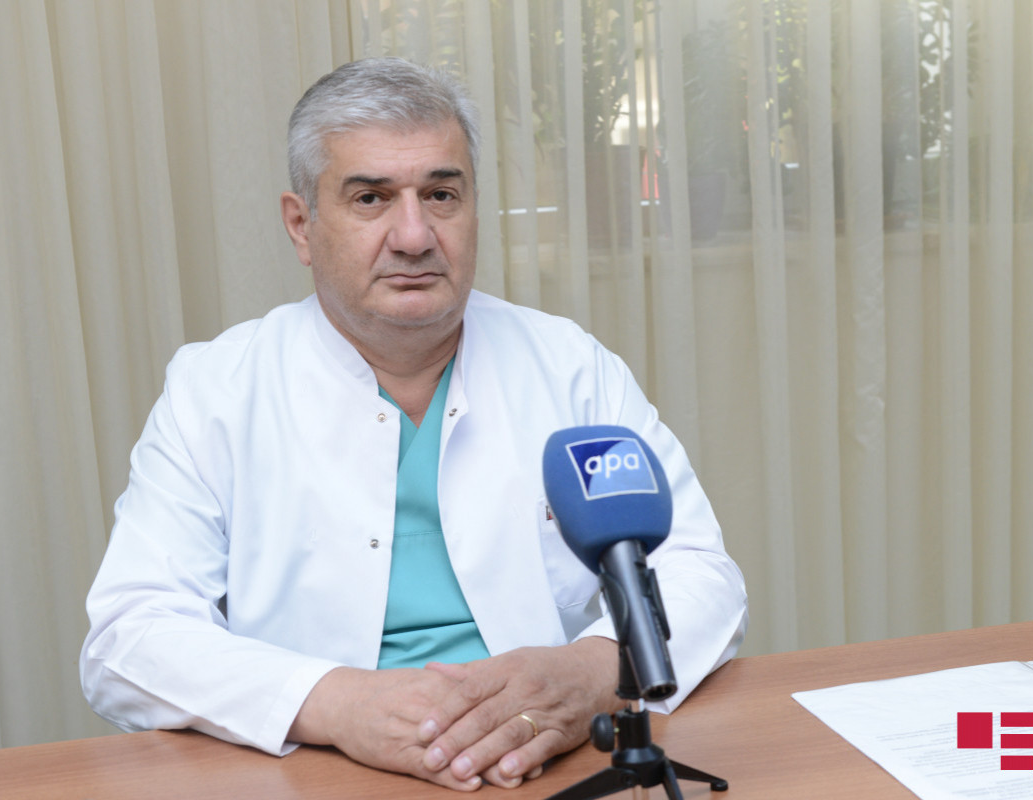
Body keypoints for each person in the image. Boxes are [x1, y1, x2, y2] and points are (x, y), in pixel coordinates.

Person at [80, 57, 747, 792]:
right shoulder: (216, 389)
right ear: (301, 225)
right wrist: (335, 702)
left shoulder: (568, 365)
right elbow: (129, 635)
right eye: (370, 198)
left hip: (548, 763)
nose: (414, 234)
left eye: (441, 195)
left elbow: (700, 571)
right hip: (321, 772)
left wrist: (589, 672)